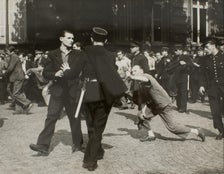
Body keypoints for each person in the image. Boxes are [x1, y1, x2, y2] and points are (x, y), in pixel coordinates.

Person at [61, 27, 127, 171]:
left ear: (92, 39)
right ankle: (90, 160)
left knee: (91, 125)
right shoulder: (110, 55)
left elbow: (73, 74)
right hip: (103, 94)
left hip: (87, 93)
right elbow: (112, 74)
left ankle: (97, 151)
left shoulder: (83, 53)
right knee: (98, 128)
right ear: (106, 41)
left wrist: (66, 71)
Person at [29, 30, 85, 155]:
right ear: (61, 39)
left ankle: (77, 144)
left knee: (74, 118)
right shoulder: (52, 54)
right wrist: (55, 73)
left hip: (72, 91)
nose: (71, 40)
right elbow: (45, 73)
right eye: (69, 38)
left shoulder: (79, 54)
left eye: (72, 38)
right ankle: (43, 145)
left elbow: (78, 71)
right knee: (51, 117)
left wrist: (69, 72)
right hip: (57, 91)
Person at [130, 65, 205, 142]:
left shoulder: (147, 76)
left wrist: (132, 77)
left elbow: (146, 80)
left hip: (164, 104)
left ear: (141, 71)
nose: (133, 73)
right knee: (140, 116)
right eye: (132, 71)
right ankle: (151, 135)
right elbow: (143, 101)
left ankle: (197, 131)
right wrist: (143, 112)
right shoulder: (140, 84)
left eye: (135, 71)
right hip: (155, 105)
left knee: (172, 127)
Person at [199, 39, 224, 140]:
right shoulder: (205, 59)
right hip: (212, 87)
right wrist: (201, 85)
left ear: (213, 46)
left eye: (207, 47)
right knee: (215, 110)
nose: (205, 50)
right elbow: (202, 74)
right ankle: (221, 130)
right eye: (204, 48)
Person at [4, 47, 32, 114]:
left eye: (7, 51)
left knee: (16, 93)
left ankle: (27, 103)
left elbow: (10, 68)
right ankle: (19, 110)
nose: (6, 53)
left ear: (10, 51)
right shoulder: (14, 56)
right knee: (19, 92)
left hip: (17, 77)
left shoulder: (13, 56)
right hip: (18, 76)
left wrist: (4, 73)